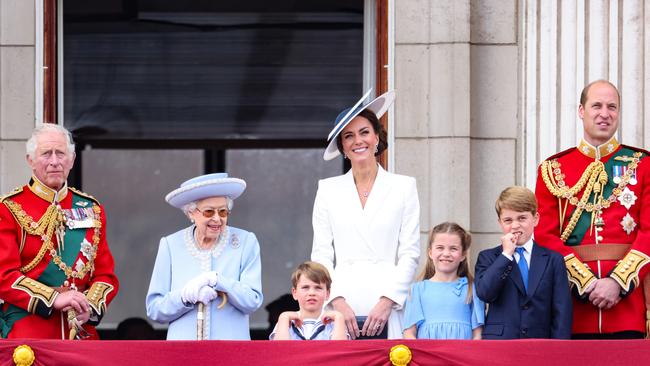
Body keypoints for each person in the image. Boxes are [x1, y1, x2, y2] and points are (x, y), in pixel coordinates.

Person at [535, 80, 650, 339]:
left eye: (612, 107)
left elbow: (649, 233)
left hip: (628, 309)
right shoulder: (553, 170)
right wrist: (586, 283)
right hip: (574, 309)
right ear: (581, 111)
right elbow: (544, 235)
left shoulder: (643, 164)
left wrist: (617, 283)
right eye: (596, 105)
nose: (604, 113)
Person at [311, 90, 420, 339]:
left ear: (377, 138)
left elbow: (410, 253)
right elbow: (321, 254)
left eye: (364, 132)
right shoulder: (327, 190)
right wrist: (337, 300)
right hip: (342, 302)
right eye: (349, 136)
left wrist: (388, 301)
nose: (358, 141)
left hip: (388, 302)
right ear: (342, 147)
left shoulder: (404, 186)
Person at [0, 123, 119, 339]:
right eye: (46, 154)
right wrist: (53, 298)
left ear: (72, 160)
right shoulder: (9, 208)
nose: (54, 161)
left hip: (81, 334)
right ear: (30, 161)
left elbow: (105, 275)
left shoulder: (92, 208)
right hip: (29, 333)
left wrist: (90, 306)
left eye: (61, 153)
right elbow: (4, 276)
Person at [146, 173, 263, 340]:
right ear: (191, 213)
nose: (217, 219)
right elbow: (155, 309)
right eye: (209, 212)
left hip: (231, 351)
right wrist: (184, 297)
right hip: (183, 352)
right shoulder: (170, 245)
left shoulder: (245, 242)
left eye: (223, 212)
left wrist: (218, 280)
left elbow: (252, 301)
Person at [475, 186, 572, 339]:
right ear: (500, 222)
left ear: (535, 219)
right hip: (500, 345)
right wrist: (506, 255)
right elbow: (485, 293)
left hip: (540, 344)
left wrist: (559, 350)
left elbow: (562, 310)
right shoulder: (488, 257)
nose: (515, 226)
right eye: (508, 220)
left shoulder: (553, 260)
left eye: (522, 218)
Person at [403, 222, 484, 340]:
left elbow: (477, 334)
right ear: (430, 253)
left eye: (453, 249)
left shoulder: (472, 288)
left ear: (463, 255)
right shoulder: (417, 289)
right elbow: (409, 333)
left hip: (461, 356)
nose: (446, 254)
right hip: (428, 355)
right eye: (440, 248)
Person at [270, 261, 347, 340]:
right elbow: (280, 350)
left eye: (318, 288)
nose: (311, 293)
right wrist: (283, 317)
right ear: (294, 292)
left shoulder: (334, 322)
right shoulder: (286, 321)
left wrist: (339, 317)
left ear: (327, 294)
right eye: (305, 287)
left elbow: (340, 350)